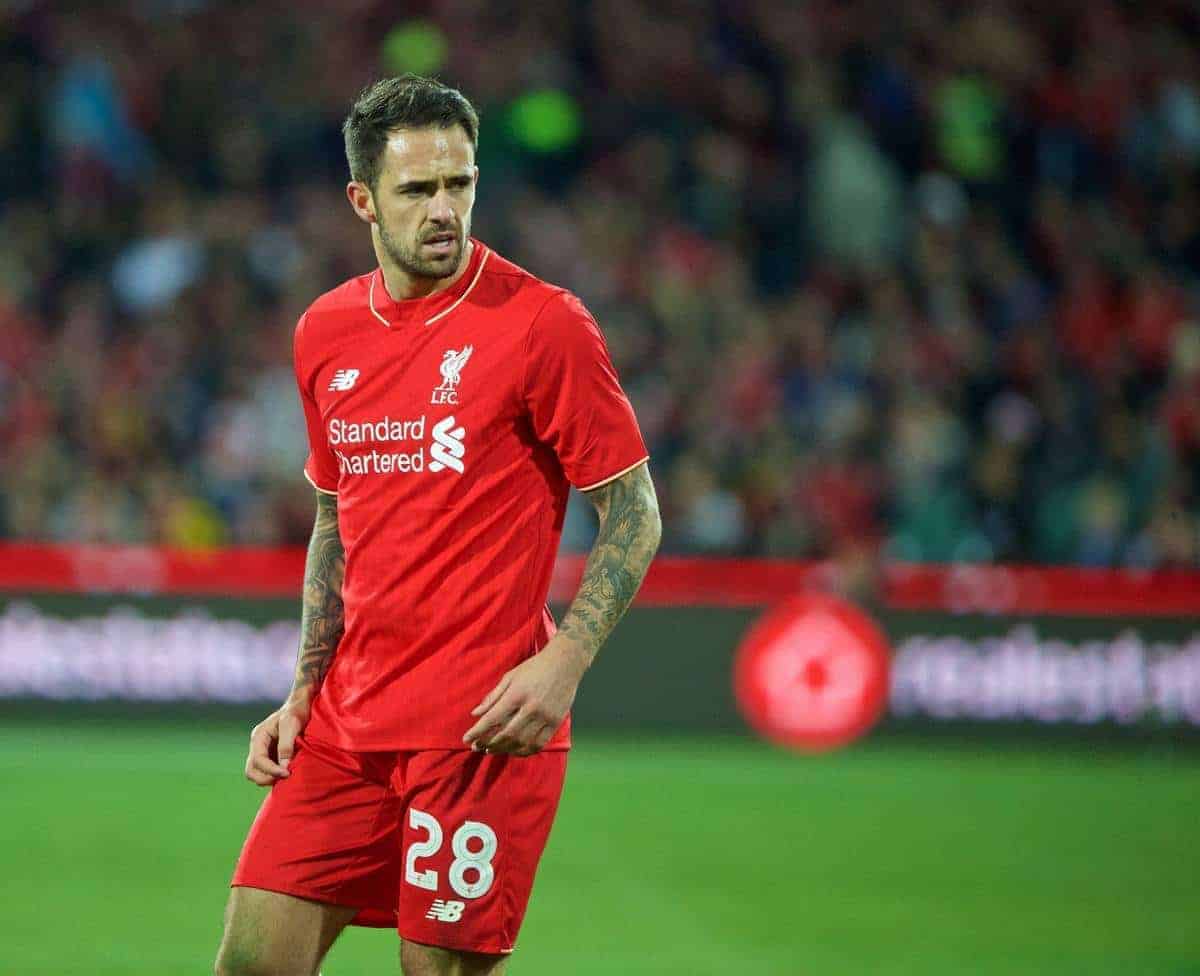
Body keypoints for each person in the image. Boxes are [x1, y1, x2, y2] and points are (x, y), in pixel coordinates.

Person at [213, 75, 661, 976]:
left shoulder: (543, 324)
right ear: (362, 200)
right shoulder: (325, 332)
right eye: (418, 189)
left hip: (481, 730)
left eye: (460, 183)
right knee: (251, 964)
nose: (445, 208)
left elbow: (634, 514)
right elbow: (336, 524)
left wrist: (563, 664)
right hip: (344, 728)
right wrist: (303, 692)